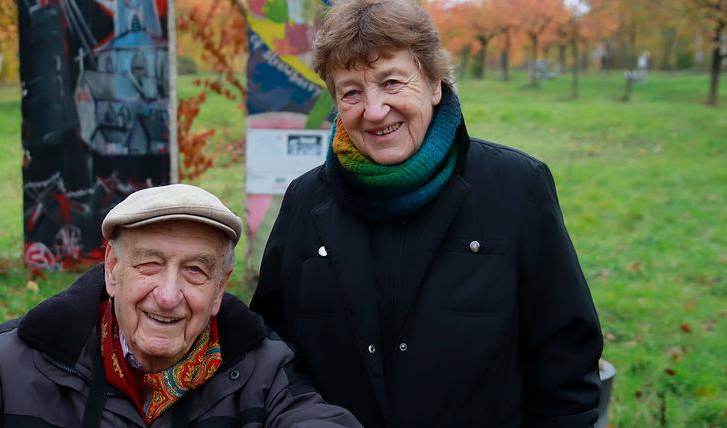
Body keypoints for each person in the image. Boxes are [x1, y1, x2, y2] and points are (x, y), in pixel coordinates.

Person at [250, 0, 604, 427]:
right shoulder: (306, 202)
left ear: (435, 83)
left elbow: (565, 362)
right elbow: (273, 351)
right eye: (352, 92)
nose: (375, 110)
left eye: (392, 82)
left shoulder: (515, 188)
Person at [0, 184, 361, 427]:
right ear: (113, 268)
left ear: (220, 290)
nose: (169, 295)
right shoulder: (17, 359)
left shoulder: (263, 370)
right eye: (149, 264)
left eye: (196, 270)